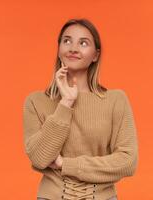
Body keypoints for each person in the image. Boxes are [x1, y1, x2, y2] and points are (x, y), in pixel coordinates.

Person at [22, 18, 138, 200]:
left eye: (83, 43)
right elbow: (39, 157)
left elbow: (127, 162)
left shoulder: (116, 100)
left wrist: (65, 164)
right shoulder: (36, 102)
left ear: (95, 55)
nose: (73, 48)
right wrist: (66, 102)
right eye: (66, 41)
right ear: (59, 49)